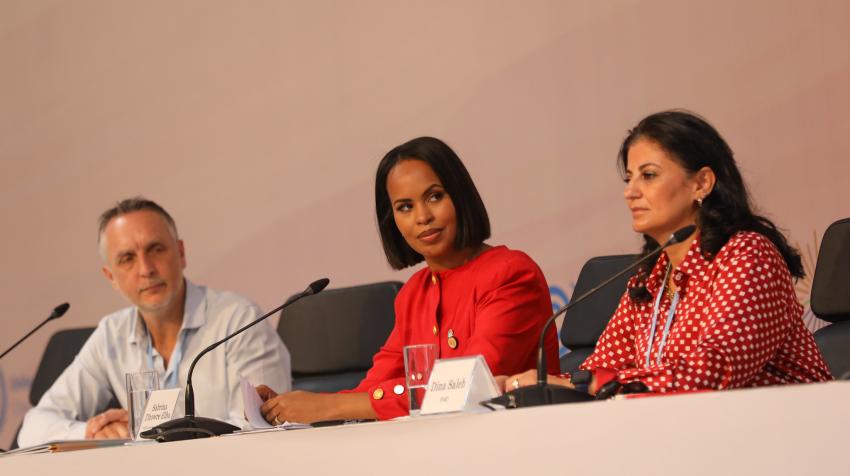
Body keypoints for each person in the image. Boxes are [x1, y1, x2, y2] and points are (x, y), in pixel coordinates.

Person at [505, 110, 831, 395]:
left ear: (701, 183)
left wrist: (586, 384)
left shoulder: (746, 255)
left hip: (786, 438)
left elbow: (714, 372)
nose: (629, 192)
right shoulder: (652, 277)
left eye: (648, 176)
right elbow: (601, 368)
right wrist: (541, 386)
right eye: (629, 178)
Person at [257, 136, 559, 423]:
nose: (422, 216)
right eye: (405, 207)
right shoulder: (414, 293)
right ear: (393, 220)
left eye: (435, 197)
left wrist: (327, 406)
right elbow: (373, 388)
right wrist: (287, 406)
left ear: (461, 197)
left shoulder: (511, 274)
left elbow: (466, 389)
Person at [17, 198, 291, 446]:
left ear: (181, 253)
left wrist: (175, 435)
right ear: (110, 276)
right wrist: (91, 431)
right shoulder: (112, 334)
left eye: (156, 249)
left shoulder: (237, 319)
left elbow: (263, 424)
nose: (146, 269)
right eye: (127, 259)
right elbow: (33, 427)